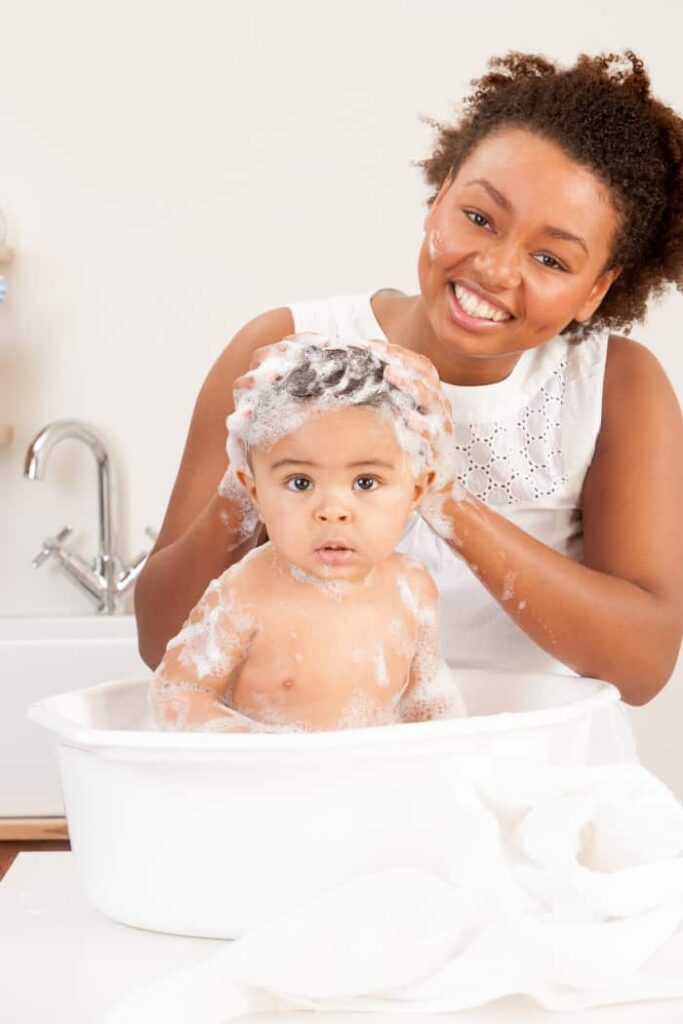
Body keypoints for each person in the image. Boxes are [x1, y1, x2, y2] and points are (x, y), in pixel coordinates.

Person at [135, 50, 683, 723]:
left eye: (550, 258)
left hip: (524, 768)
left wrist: (443, 497)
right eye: (478, 217)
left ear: (595, 289)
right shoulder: (284, 347)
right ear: (441, 191)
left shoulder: (614, 387)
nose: (494, 268)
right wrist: (249, 468)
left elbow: (642, 665)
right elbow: (158, 636)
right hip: (315, 771)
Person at [149, 338, 466, 732]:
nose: (332, 510)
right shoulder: (246, 591)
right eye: (300, 482)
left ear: (416, 492)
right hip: (270, 786)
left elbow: (428, 706)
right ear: (254, 492)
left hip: (370, 783)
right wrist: (266, 748)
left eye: (366, 482)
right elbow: (176, 692)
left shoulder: (413, 589)